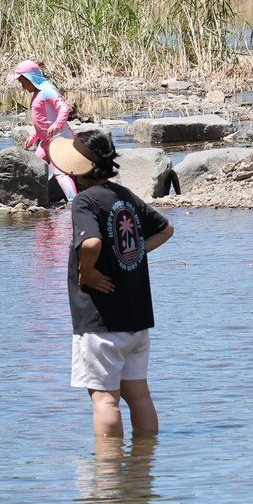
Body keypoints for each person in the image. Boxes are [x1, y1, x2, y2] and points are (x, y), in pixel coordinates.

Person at [50, 132, 174, 440]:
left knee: (105, 400)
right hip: (136, 318)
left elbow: (91, 243)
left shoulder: (84, 201)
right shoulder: (124, 195)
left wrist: (88, 271)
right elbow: (165, 229)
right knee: (139, 395)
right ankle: (144, 462)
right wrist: (132, 252)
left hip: (101, 321)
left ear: (78, 170)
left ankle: (108, 468)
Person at [13, 60, 77, 203]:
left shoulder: (48, 90)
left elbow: (64, 107)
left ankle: (74, 203)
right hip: (46, 142)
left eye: (23, 82)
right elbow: (42, 120)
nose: (23, 86)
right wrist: (33, 136)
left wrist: (58, 124)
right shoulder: (38, 92)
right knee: (34, 166)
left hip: (60, 140)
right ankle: (40, 199)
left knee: (60, 173)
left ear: (31, 78)